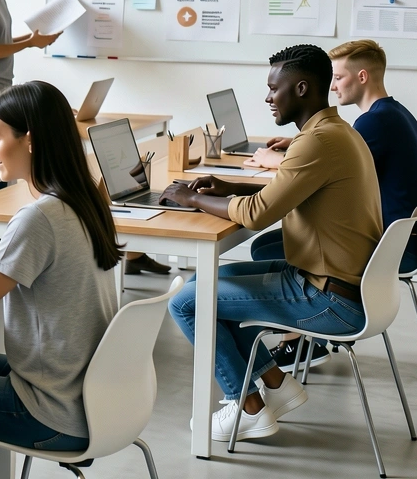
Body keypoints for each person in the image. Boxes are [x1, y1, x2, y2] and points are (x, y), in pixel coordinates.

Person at [161, 44, 382, 443]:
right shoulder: (334, 132)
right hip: (329, 280)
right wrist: (229, 186)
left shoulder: (318, 142)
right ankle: (276, 383)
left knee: (186, 302)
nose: (267, 98)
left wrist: (192, 198)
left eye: (272, 89)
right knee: (203, 286)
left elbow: (258, 213)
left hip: (329, 300)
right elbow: (284, 191)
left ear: (300, 89)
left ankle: (246, 405)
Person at [0, 81, 121, 479]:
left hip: (50, 412)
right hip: (85, 397)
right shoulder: (81, 200)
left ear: (28, 140)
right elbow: (17, 266)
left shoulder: (39, 219)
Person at [248, 40, 417, 371]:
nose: (331, 87)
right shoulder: (392, 113)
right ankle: (303, 334)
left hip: (382, 250)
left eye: (338, 78)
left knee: (270, 248)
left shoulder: (372, 123)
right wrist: (298, 147)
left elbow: (327, 172)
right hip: (398, 241)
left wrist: (279, 160)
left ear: (362, 77)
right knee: (274, 243)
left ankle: (304, 336)